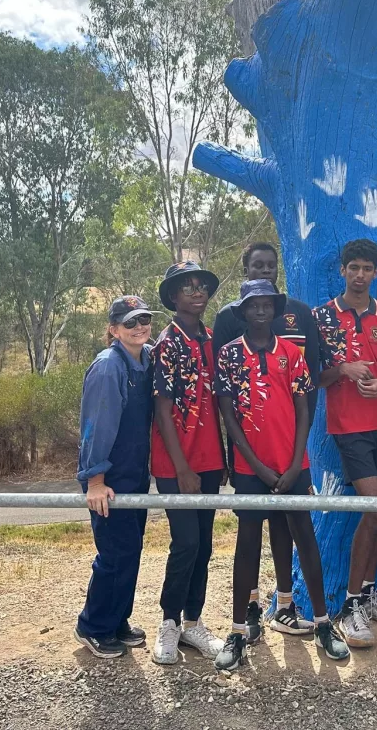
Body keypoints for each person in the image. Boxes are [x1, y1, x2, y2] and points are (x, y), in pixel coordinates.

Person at [212, 279, 350, 669]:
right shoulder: (228, 355)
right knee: (247, 543)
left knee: (304, 537)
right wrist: (255, 466)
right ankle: (238, 631)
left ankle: (323, 624)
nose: (260, 311)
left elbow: (304, 410)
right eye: (253, 306)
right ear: (242, 312)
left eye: (267, 305)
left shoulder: (292, 353)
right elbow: (229, 417)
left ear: (275, 310)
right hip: (250, 468)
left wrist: (294, 464)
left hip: (293, 464)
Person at [211, 242, 321, 637]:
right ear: (245, 269)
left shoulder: (299, 316)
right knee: (250, 531)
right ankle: (251, 609)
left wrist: (296, 454)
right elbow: (224, 399)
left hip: (289, 448)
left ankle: (286, 605)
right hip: (249, 452)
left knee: (287, 528)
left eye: (271, 265)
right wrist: (237, 457)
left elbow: (309, 385)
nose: (265, 270)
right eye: (258, 265)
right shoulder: (227, 319)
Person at [312, 238, 377, 648]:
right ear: (342, 270)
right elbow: (313, 377)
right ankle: (350, 607)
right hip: (347, 427)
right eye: (352, 267)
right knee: (374, 511)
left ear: (375, 273)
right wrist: (343, 369)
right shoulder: (322, 318)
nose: (359, 274)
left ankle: (369, 595)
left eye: (366, 268)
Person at [150, 261, 226, 665]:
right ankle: (168, 622)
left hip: (210, 458)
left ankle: (193, 622)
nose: (197, 293)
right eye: (187, 287)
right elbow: (162, 409)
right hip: (175, 461)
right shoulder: (168, 342)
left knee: (206, 544)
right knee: (186, 543)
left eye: (201, 286)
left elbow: (219, 404)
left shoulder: (212, 339)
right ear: (173, 297)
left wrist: (224, 458)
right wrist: (181, 467)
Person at [74, 296, 155, 658]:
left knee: (130, 552)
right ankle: (93, 625)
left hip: (134, 473)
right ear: (113, 330)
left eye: (143, 320)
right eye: (129, 323)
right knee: (114, 554)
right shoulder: (109, 367)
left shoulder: (147, 359)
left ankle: (118, 620)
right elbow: (95, 427)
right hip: (106, 479)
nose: (138, 327)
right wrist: (94, 480)